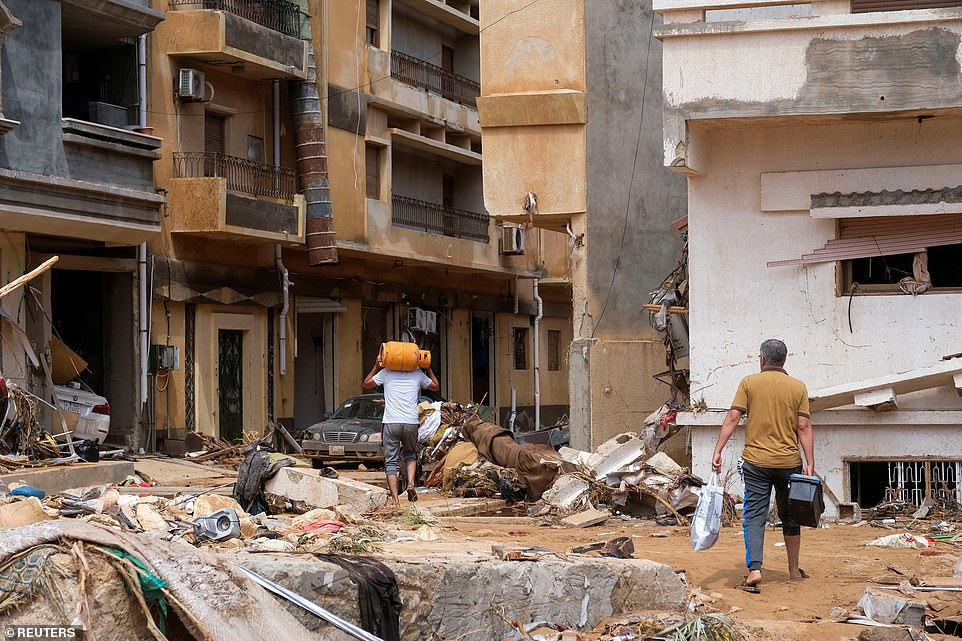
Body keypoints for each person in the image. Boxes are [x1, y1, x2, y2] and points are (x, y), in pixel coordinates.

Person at [711, 338, 814, 593]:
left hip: (756, 463)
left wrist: (718, 449)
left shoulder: (749, 383)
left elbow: (733, 417)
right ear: (785, 360)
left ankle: (755, 570)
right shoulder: (798, 387)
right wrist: (810, 463)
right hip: (789, 462)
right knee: (790, 514)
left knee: (755, 514)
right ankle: (793, 569)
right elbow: (803, 426)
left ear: (762, 359)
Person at [363, 356, 439, 507]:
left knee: (390, 461)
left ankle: (395, 499)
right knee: (410, 454)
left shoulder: (386, 372)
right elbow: (435, 386)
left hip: (391, 422)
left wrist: (376, 366)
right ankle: (410, 483)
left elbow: (366, 384)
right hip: (411, 422)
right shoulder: (417, 374)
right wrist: (428, 367)